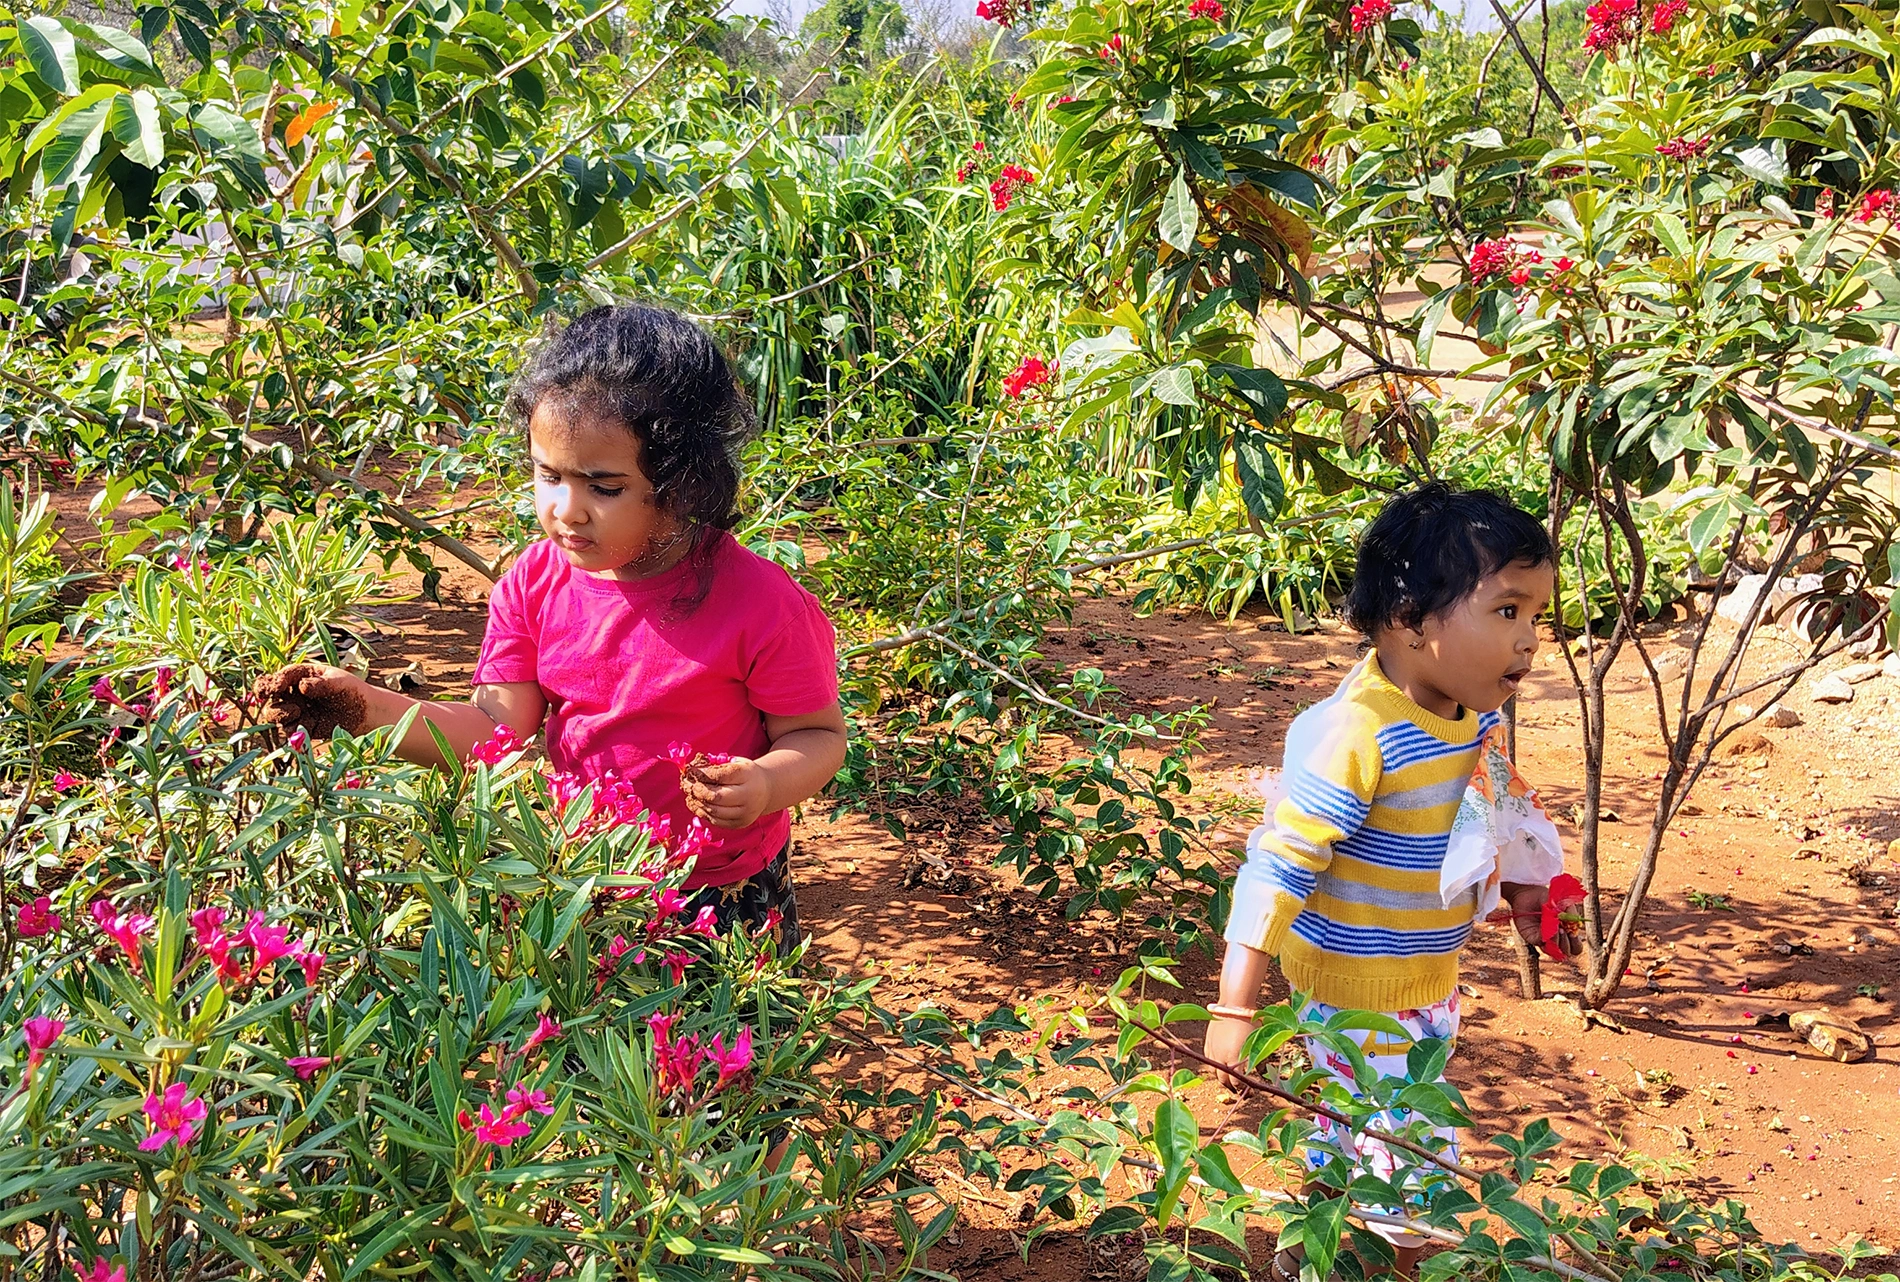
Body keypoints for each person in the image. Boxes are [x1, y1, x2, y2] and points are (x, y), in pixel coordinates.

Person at [253, 304, 847, 950]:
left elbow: (818, 737)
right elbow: (492, 732)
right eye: (548, 475)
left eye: (603, 487)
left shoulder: (760, 604)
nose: (567, 510)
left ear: (679, 481)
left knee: (732, 1049)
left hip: (722, 893)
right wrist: (367, 709)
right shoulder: (534, 586)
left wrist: (764, 785)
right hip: (586, 881)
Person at [1202, 481, 1574, 1280]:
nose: (1531, 639)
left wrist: (1526, 890)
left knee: (1355, 1136)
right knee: (1412, 1164)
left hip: (1424, 979)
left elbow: (1491, 804)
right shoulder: (1353, 733)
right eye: (1508, 611)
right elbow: (1279, 860)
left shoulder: (1473, 716)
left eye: (1537, 615)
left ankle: (1323, 1254)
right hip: (1357, 990)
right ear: (1409, 618)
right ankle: (1384, 1264)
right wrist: (1234, 1005)